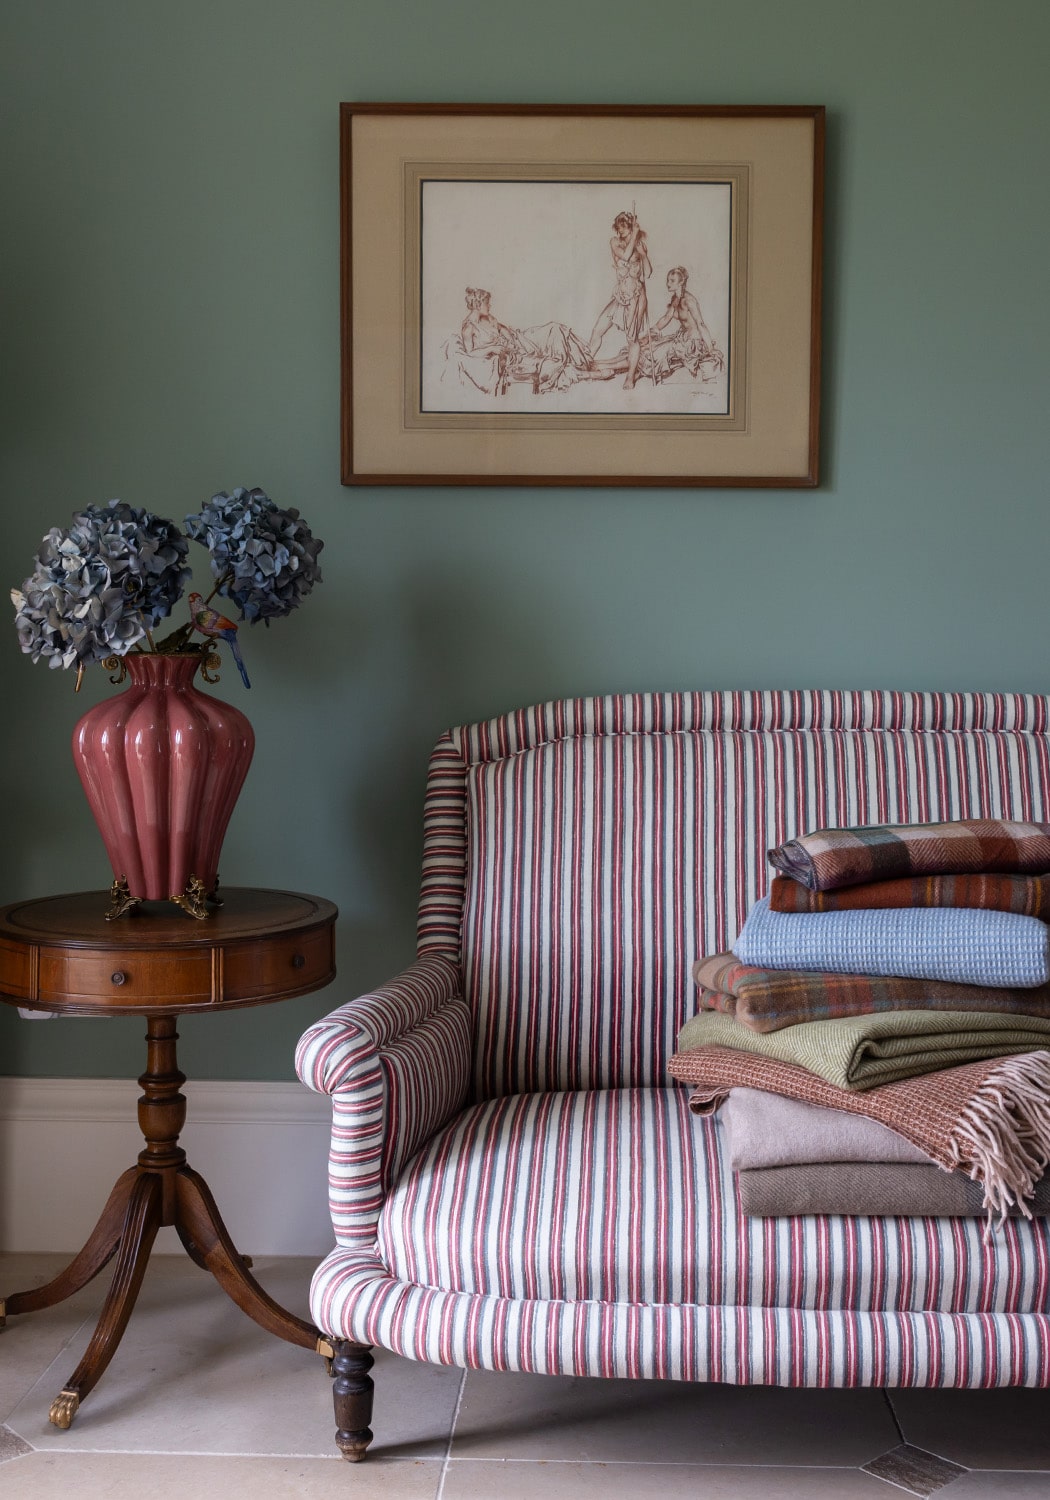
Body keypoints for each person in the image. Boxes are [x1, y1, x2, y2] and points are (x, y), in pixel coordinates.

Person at [587, 211, 652, 389]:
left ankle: (630, 377)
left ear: (631, 227)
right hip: (620, 295)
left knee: (632, 339)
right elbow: (624, 256)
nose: (621, 231)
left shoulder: (639, 245)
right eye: (619, 228)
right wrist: (634, 237)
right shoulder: (615, 242)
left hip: (636, 297)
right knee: (598, 329)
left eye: (625, 228)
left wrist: (644, 255)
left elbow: (648, 273)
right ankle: (583, 363)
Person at [646, 266, 724, 383]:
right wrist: (652, 330)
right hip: (682, 338)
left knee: (659, 351)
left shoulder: (689, 300)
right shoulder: (675, 299)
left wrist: (711, 348)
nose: (668, 283)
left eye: (672, 281)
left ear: (681, 282)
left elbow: (700, 323)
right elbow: (666, 318)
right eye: (668, 280)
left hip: (693, 342)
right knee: (653, 345)